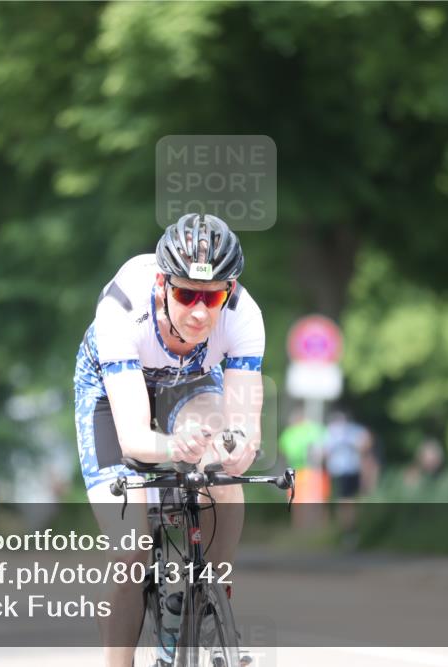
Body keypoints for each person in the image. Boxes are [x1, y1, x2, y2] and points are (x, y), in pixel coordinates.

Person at [73, 213, 264, 667]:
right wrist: (172, 447)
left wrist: (229, 451)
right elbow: (136, 437)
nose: (200, 311)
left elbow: (244, 429)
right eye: (185, 294)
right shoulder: (122, 309)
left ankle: (211, 592)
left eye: (213, 296)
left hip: (192, 380)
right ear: (162, 283)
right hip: (111, 390)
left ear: (230, 292)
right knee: (132, 552)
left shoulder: (243, 316)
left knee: (223, 475)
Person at [322, 410, 371, 540]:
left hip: (349, 469)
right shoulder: (336, 431)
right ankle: (347, 530)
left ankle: (349, 530)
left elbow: (365, 444)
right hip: (342, 470)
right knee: (347, 501)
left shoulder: (340, 431)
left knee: (347, 501)